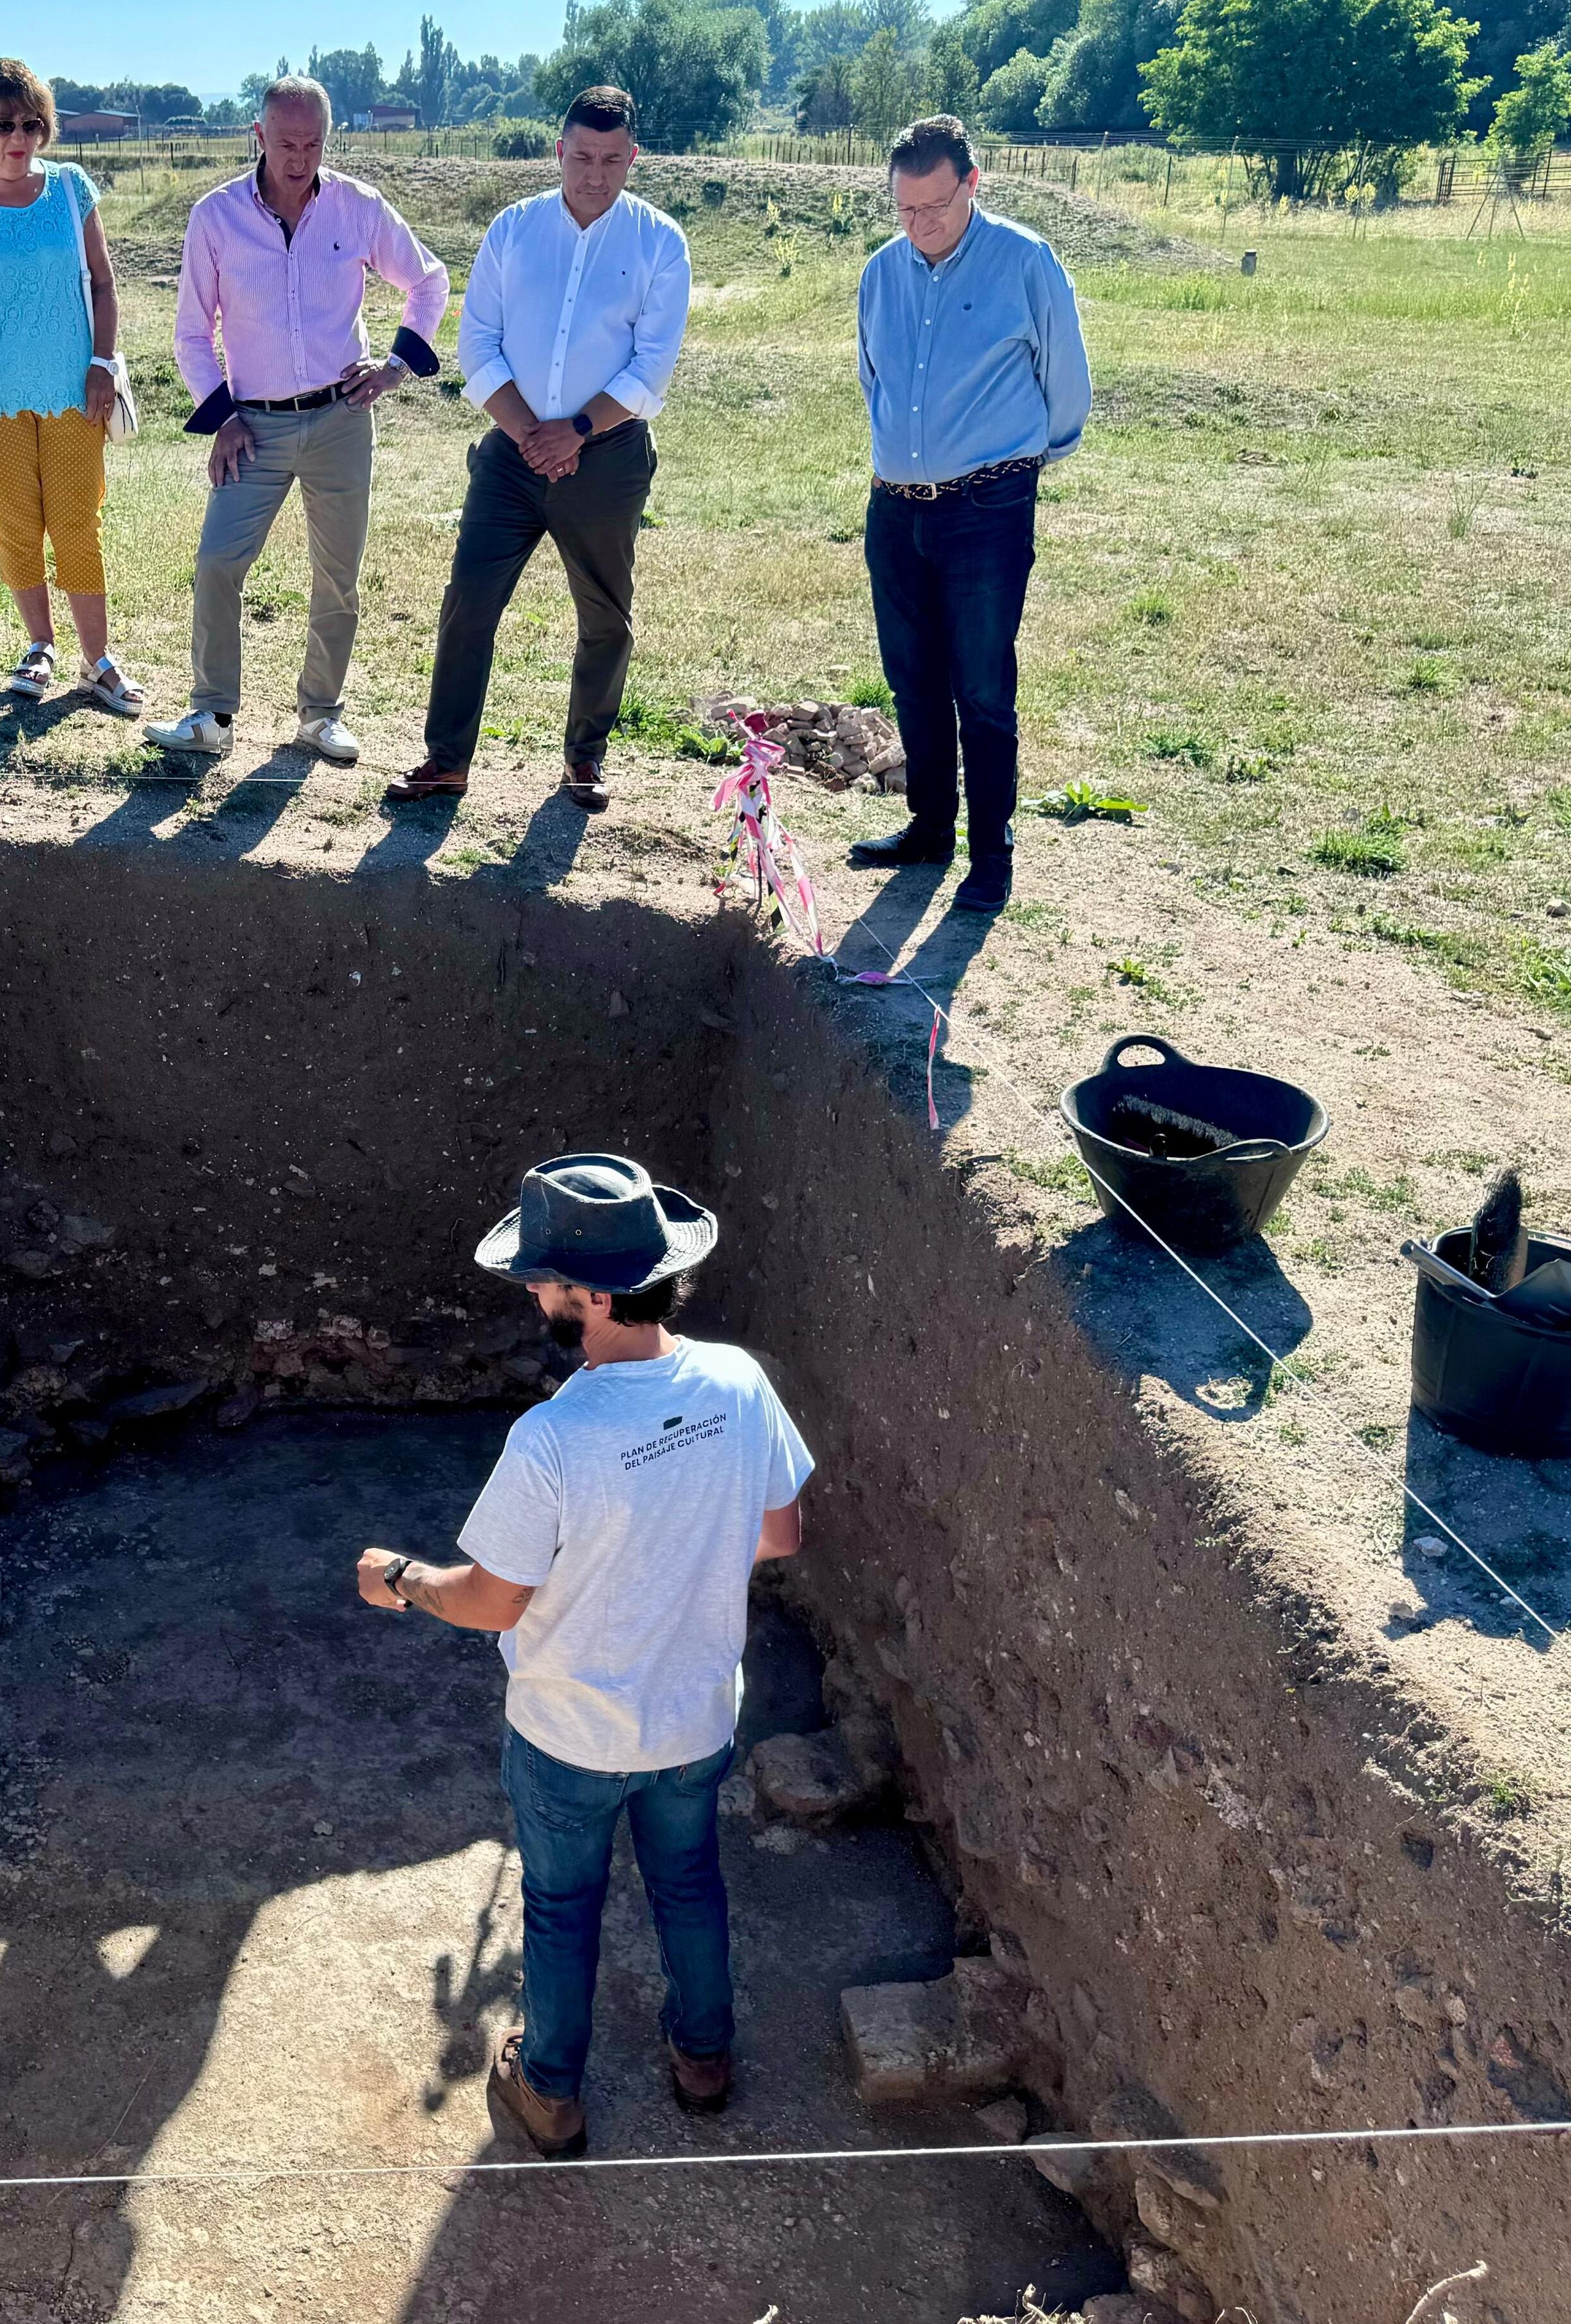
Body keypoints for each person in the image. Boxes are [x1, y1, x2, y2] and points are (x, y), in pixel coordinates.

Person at [355, 1151, 812, 2160]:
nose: (528, 1290)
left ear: (594, 1294)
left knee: (563, 1906)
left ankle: (552, 2092)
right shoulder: (739, 1382)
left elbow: (489, 1601)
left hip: (569, 1734)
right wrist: (677, 1554)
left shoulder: (554, 1438)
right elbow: (778, 1535)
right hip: (695, 1716)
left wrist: (403, 1579)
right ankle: (705, 2059)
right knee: (689, 1882)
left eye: (542, 1278)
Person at [385, 84, 688, 817]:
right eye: (581, 156)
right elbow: (475, 342)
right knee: (468, 604)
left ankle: (585, 759)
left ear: (632, 158)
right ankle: (447, 760)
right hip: (509, 455)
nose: (594, 174)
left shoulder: (659, 242)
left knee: (605, 616)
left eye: (611, 160)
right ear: (559, 150)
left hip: (606, 459)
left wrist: (575, 431)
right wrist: (528, 431)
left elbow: (650, 367)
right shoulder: (513, 230)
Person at [152, 76, 448, 767]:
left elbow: (427, 281)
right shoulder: (215, 217)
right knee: (217, 562)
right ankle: (211, 712)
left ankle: (319, 715)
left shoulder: (357, 208)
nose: (299, 157)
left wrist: (397, 367)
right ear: (257, 137)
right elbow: (191, 335)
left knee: (337, 574)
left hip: (340, 417)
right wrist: (221, 417)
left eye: (313, 143)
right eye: (286, 142)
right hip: (250, 425)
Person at [847, 113, 1091, 913]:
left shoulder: (1025, 263)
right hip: (894, 511)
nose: (919, 226)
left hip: (987, 508)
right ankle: (928, 828)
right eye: (904, 210)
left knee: (981, 685)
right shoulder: (880, 274)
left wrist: (1008, 470)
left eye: (935, 208)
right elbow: (873, 380)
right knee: (911, 679)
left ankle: (992, 852)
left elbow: (1066, 390)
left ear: (972, 186)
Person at [0, 58, 146, 719]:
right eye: (4, 125)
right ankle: (38, 645)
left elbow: (105, 285)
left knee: (77, 527)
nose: (18, 138)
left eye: (30, 124)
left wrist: (101, 364)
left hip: (72, 392)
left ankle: (98, 662)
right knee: (16, 529)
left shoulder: (69, 190)